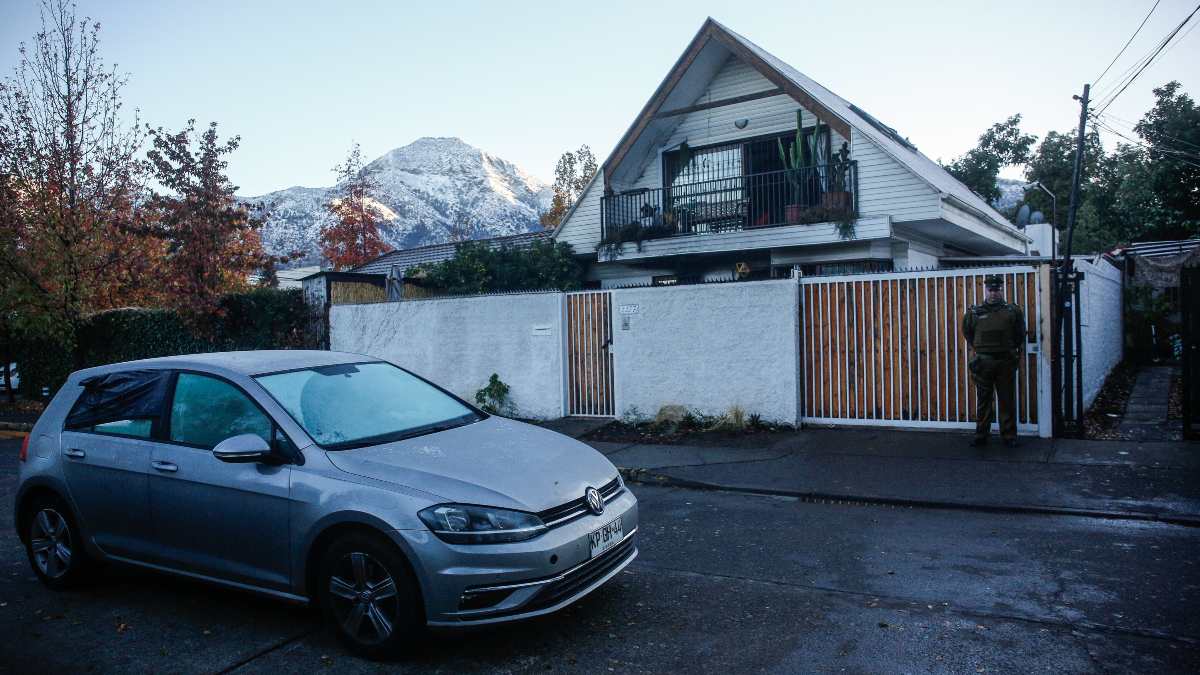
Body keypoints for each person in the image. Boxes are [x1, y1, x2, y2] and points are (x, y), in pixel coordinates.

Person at [962, 274, 1026, 448]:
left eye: (997, 289)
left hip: (1005, 362)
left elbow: (1019, 335)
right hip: (983, 363)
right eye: (991, 289)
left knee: (1007, 400)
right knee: (984, 400)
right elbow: (968, 334)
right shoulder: (974, 313)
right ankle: (981, 435)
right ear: (986, 290)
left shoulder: (1012, 311)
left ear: (1001, 290)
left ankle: (1009, 436)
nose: (994, 293)